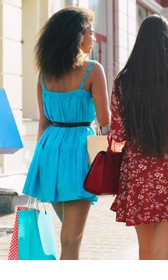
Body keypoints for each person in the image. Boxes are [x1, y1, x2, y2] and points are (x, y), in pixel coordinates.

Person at [109, 14, 168, 260]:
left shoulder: (123, 83)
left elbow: (118, 133)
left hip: (138, 172)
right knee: (164, 255)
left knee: (146, 251)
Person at [22, 7, 110, 259]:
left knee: (68, 234)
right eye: (90, 32)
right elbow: (104, 120)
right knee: (71, 240)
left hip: (48, 151)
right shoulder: (93, 70)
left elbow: (43, 122)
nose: (93, 37)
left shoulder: (44, 74)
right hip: (78, 153)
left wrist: (40, 162)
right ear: (76, 35)